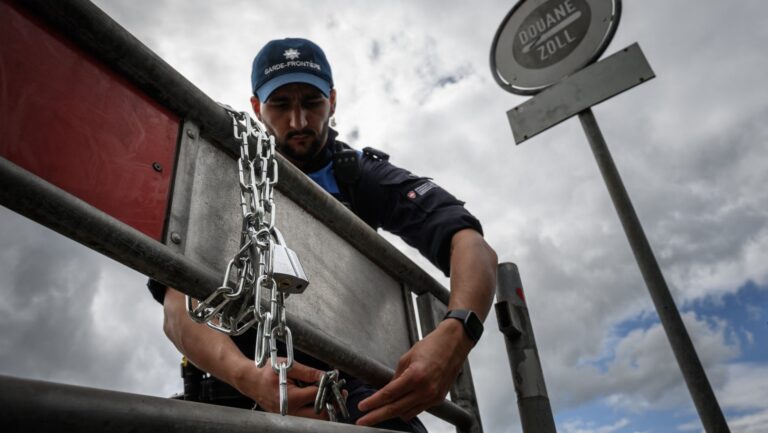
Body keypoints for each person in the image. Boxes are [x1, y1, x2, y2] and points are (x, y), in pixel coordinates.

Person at [149, 38, 497, 432]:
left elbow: (470, 242)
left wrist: (456, 333)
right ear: (256, 107)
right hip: (235, 392)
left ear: (332, 100)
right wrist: (247, 376)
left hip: (345, 391)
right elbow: (176, 309)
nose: (298, 121)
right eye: (281, 104)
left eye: (312, 102)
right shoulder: (224, 168)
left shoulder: (358, 175)